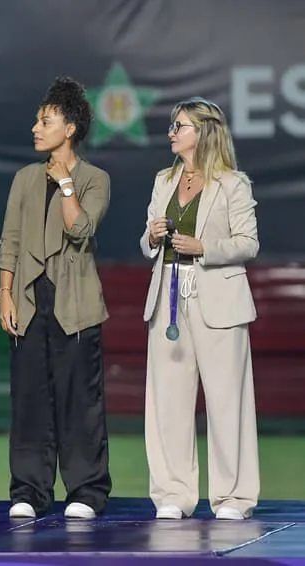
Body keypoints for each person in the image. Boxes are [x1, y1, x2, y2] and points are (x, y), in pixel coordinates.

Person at [0, 77, 112, 520]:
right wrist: (5, 294)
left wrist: (65, 185)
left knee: (80, 401)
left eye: (46, 121)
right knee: (28, 400)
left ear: (71, 129)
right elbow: (9, 240)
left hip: (75, 305)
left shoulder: (94, 179)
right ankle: (28, 490)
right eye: (37, 120)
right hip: (28, 301)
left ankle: (86, 491)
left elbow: (81, 230)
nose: (35, 128)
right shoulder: (24, 179)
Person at [141, 97, 260, 521]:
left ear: (203, 132)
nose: (172, 132)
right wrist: (153, 236)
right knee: (168, 403)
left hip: (217, 299)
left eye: (180, 126)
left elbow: (248, 242)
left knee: (227, 402)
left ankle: (233, 497)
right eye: (173, 126)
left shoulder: (232, 183)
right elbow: (146, 241)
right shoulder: (163, 180)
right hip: (168, 298)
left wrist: (204, 247)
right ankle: (174, 493)